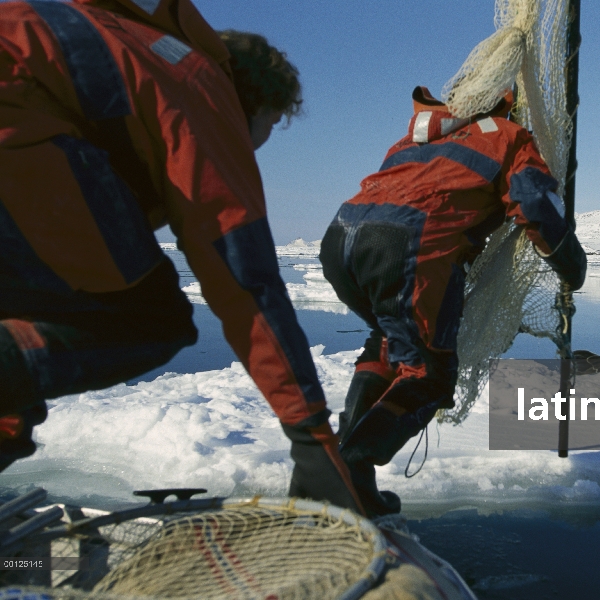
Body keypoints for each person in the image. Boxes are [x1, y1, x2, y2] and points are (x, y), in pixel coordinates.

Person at [0, 0, 363, 514]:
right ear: (255, 101)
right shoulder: (196, 79)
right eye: (271, 125)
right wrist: (311, 438)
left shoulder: (118, 42)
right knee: (149, 319)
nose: (257, 144)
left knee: (30, 349)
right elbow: (243, 274)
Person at [321, 85, 587, 515]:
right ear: (505, 106)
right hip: (407, 246)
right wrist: (571, 264)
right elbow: (535, 202)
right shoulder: (506, 134)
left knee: (387, 342)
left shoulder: (413, 138)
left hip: (341, 238)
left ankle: (355, 481)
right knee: (430, 376)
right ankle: (348, 466)